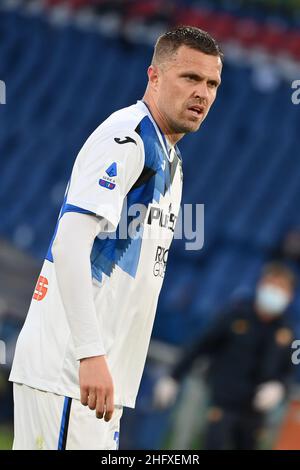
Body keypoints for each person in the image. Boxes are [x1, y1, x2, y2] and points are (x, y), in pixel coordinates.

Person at [9, 26, 223, 449]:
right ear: (155, 77)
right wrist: (89, 354)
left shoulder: (170, 159)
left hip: (101, 383)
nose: (203, 92)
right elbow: (70, 246)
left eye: (212, 83)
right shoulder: (126, 139)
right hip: (69, 373)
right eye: (190, 78)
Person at [154, 262, 296, 450]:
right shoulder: (236, 315)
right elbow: (201, 345)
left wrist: (279, 387)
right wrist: (173, 377)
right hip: (223, 403)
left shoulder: (287, 331)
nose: (274, 292)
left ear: (289, 295)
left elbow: (290, 369)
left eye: (281, 288)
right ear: (260, 284)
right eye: (271, 284)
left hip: (255, 414)